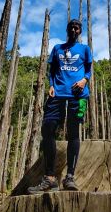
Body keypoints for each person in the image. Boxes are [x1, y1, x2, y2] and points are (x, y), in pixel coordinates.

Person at [28, 18, 92, 194]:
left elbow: (88, 69)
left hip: (78, 95)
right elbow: (53, 70)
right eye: (71, 27)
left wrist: (84, 80)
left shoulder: (85, 49)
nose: (74, 29)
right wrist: (50, 85)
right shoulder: (57, 48)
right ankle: (49, 178)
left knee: (73, 132)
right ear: (67, 29)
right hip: (57, 94)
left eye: (77, 28)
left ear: (80, 31)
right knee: (47, 129)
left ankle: (70, 177)